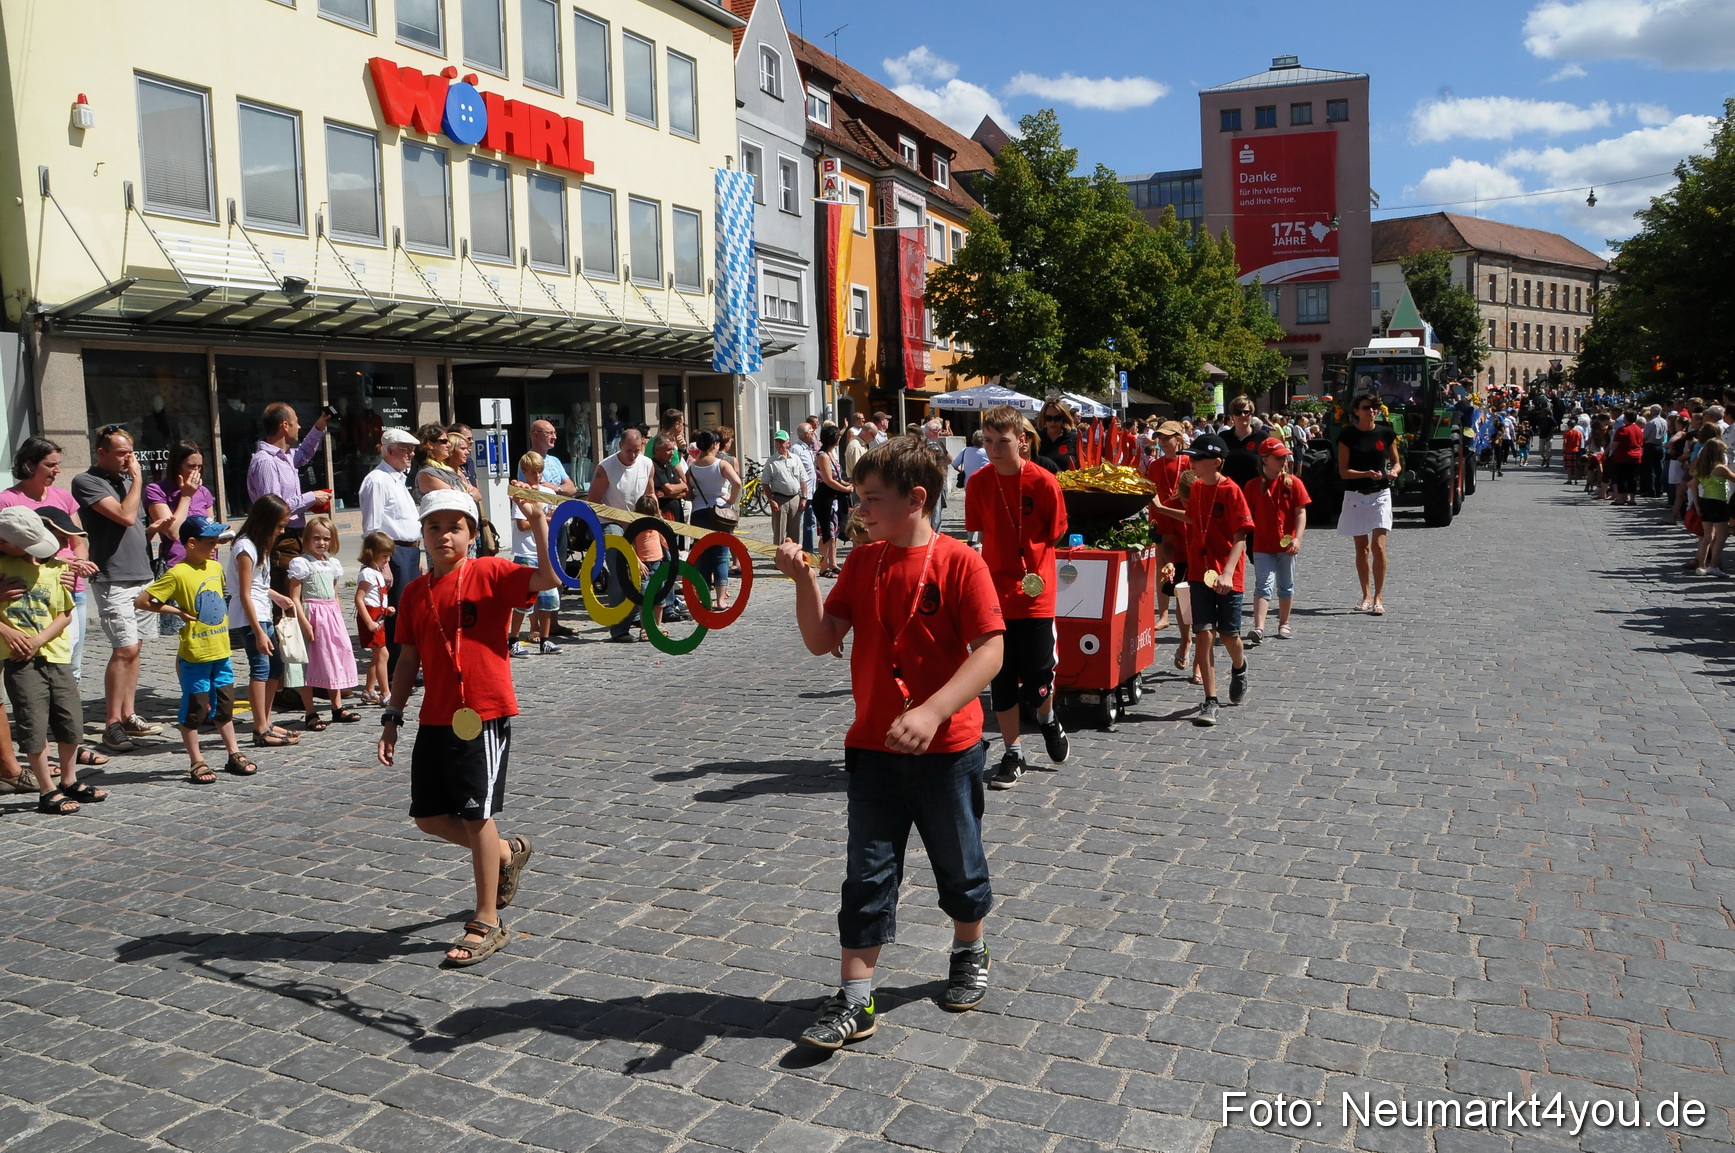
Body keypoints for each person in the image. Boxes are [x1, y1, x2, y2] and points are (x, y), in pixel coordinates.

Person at [774, 437, 1005, 1049]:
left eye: (872, 499)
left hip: (948, 750)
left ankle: (969, 948)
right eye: (858, 496)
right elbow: (822, 640)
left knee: (959, 863)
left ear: (916, 499)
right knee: (867, 875)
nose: (860, 509)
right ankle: (856, 999)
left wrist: (933, 711)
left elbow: (990, 651)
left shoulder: (961, 563)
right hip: (873, 749)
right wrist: (803, 582)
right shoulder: (863, 562)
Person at [378, 489, 557, 967]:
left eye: (455, 527)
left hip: (483, 714)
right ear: (422, 535)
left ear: (472, 534)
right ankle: (505, 852)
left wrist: (539, 526)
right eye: (434, 528)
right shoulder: (414, 593)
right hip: (435, 716)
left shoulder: (490, 572)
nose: (444, 536)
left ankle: (486, 920)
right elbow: (408, 659)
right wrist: (392, 716)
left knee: (477, 814)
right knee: (428, 816)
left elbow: (546, 578)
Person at [967, 406, 1069, 789]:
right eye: (988, 441)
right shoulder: (978, 483)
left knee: (1041, 674)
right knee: (1002, 677)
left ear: (1022, 440)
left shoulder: (1044, 482)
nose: (994, 449)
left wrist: (1030, 561)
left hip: (1035, 590)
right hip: (994, 593)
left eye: (1003, 441)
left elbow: (1056, 533)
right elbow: (979, 534)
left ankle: (1047, 717)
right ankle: (1014, 752)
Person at [136, 516, 258, 783]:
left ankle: (233, 753)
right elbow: (142, 601)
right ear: (191, 543)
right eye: (210, 542)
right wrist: (177, 611)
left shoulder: (214, 567)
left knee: (224, 707)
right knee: (195, 710)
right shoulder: (177, 573)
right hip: (195, 655)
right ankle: (196, 760)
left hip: (221, 652)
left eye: (217, 542)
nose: (215, 547)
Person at [0, 507, 102, 813]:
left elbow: (65, 613)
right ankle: (47, 789)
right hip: (20, 661)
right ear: (5, 544)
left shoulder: (55, 568)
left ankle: (69, 780)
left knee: (70, 721)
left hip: (55, 655)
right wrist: (7, 631)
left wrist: (38, 640)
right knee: (33, 724)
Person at [71, 425, 163, 753]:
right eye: (122, 453)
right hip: (113, 577)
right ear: (102, 452)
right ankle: (111, 723)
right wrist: (138, 479)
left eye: (131, 452)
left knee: (135, 648)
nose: (129, 459)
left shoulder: (125, 481)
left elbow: (133, 524)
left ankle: (128, 714)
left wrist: (151, 530)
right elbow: (124, 516)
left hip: (140, 572)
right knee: (123, 648)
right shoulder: (87, 481)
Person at [1151, 435, 1252, 726]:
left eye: (1197, 458)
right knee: (1204, 634)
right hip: (1199, 572)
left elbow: (1240, 536)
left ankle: (1239, 666)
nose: (1191, 461)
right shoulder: (1195, 488)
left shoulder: (1231, 491)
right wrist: (1161, 508)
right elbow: (1193, 519)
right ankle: (1210, 700)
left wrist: (1228, 572)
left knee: (1228, 636)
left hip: (1227, 574)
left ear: (1216, 462)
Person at [1, 438, 100, 727]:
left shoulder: (62, 497)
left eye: (58, 464)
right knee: (27, 665)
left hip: (69, 588)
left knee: (69, 664)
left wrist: (78, 565)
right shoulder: (7, 500)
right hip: (26, 594)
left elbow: (78, 540)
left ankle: (67, 731)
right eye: (50, 465)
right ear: (30, 464)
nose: (57, 470)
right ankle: (37, 731)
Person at [226, 495, 298, 748]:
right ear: (265, 521)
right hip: (250, 618)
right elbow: (244, 593)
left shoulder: (259, 545)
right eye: (279, 526)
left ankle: (266, 721)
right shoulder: (245, 548)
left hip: (262, 612)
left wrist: (277, 596)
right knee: (260, 669)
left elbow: (258, 585)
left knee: (275, 669)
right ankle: (259, 728)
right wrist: (258, 632)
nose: (282, 531)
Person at [359, 428, 422, 674]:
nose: (411, 454)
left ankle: (408, 665)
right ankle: (397, 668)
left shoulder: (397, 478)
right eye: (406, 449)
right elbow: (372, 527)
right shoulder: (377, 480)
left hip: (408, 552)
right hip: (393, 553)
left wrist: (417, 554)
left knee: (409, 610)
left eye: (412, 449)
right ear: (390, 451)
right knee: (396, 611)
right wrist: (382, 564)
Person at [287, 515, 360, 729]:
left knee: (333, 659)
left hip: (331, 617)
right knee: (309, 664)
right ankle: (310, 711)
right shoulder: (301, 564)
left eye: (326, 539)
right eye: (316, 538)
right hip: (311, 615)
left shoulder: (332, 565)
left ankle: (337, 707)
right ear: (307, 538)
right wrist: (304, 622)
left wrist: (338, 618)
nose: (321, 543)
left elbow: (334, 595)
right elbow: (294, 597)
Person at [588, 429, 655, 643]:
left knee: (650, 566)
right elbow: (593, 502)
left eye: (637, 450)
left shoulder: (647, 464)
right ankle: (619, 628)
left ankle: (644, 617)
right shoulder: (606, 468)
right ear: (620, 446)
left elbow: (650, 494)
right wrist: (619, 519)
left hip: (638, 522)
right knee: (620, 569)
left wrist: (657, 521)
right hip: (611, 523)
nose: (633, 455)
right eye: (629, 451)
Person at [1336, 394, 1400, 616]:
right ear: (1356, 411)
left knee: (1378, 546)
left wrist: (1394, 471)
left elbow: (1397, 462)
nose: (1371, 411)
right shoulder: (1347, 436)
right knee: (1362, 548)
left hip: (1380, 494)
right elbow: (1343, 471)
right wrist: (1366, 474)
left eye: (1374, 407)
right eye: (1366, 407)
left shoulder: (1386, 433)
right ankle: (1366, 595)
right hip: (1355, 495)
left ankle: (1379, 597)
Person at [1243, 438, 1310, 643]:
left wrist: (1297, 538)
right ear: (1265, 459)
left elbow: (1301, 512)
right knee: (1263, 585)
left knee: (1286, 585)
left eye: (1285, 457)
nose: (1283, 461)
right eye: (1278, 458)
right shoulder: (1253, 486)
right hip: (1262, 545)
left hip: (1287, 545)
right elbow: (1245, 516)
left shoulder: (1294, 483)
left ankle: (1284, 623)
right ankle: (1259, 628)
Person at [246, 402, 332, 530]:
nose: (299, 426)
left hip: (292, 533)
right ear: (285, 425)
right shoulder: (266, 462)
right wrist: (311, 497)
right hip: (280, 535)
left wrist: (319, 427)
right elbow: (274, 509)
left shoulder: (285, 456)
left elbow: (304, 452)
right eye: (296, 422)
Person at [508, 452, 561, 655]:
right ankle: (513, 639)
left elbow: (557, 517)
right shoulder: (522, 492)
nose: (538, 476)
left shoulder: (547, 493)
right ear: (524, 472)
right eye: (533, 472)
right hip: (526, 551)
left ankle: (545, 639)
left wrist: (543, 519)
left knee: (549, 597)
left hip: (545, 551)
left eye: (540, 471)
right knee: (524, 599)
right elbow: (522, 524)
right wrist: (542, 519)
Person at [688, 431, 742, 611]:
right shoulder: (721, 464)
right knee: (720, 556)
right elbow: (737, 483)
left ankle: (705, 598)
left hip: (698, 513)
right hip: (720, 514)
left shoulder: (692, 467)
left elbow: (689, 490)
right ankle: (720, 600)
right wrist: (731, 499)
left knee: (703, 556)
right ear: (714, 445)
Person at [1144, 421, 1187, 631]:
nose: (1162, 442)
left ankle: (1184, 614)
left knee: (1183, 566)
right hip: (1160, 519)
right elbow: (1150, 490)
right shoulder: (1154, 464)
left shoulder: (1188, 461)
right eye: (1160, 438)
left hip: (1182, 520)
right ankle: (1163, 614)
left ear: (1178, 439)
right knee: (1162, 566)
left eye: (1167, 438)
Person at [355, 531, 394, 705]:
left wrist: (386, 610)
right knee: (382, 654)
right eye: (384, 556)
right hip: (371, 618)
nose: (387, 560)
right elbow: (359, 599)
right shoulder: (367, 574)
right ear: (372, 553)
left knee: (377, 656)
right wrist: (369, 622)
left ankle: (369, 690)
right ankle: (386, 693)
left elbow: (376, 597)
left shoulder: (376, 572)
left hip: (378, 616)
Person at [813, 425, 854, 578]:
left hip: (835, 498)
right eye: (838, 437)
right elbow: (828, 480)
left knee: (834, 533)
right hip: (825, 498)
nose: (839, 439)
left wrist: (847, 484)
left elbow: (837, 477)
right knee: (826, 533)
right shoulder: (822, 455)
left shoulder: (831, 454)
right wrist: (845, 489)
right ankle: (823, 567)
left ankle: (833, 564)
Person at [1692, 438, 1733, 577]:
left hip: (1705, 501)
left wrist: (1697, 505)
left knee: (1707, 536)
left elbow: (1692, 485)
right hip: (1718, 503)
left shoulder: (1702, 468)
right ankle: (1714, 565)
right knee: (1722, 536)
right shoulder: (1720, 468)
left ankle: (1701, 565)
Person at [764, 430, 808, 546]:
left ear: (788, 443)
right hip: (779, 499)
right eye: (777, 441)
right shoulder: (771, 461)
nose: (779, 444)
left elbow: (803, 480)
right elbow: (765, 483)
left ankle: (793, 555)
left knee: (794, 533)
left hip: (795, 498)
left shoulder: (796, 459)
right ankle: (778, 556)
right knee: (779, 533)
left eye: (782, 441)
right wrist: (771, 500)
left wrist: (804, 498)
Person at [1219, 397, 1264, 486]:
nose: (1243, 415)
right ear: (1232, 416)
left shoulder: (1262, 437)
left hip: (1255, 490)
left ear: (1251, 415)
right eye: (1238, 412)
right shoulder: (1223, 437)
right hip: (1229, 490)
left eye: (1246, 412)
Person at [413, 423, 460, 500]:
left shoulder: (448, 469)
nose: (449, 445)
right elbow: (456, 498)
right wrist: (470, 494)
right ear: (430, 445)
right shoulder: (427, 474)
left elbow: (476, 494)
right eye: (444, 441)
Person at [1609, 410, 1645, 506]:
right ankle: (1632, 498)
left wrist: (1611, 447)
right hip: (1636, 456)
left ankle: (1621, 498)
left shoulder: (1622, 430)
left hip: (1622, 456)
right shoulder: (1638, 429)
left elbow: (1615, 444)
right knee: (1632, 478)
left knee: (1621, 478)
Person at [792, 422, 819, 552]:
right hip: (802, 493)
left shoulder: (808, 448)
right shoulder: (797, 449)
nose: (814, 434)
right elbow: (795, 472)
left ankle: (808, 550)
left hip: (811, 492)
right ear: (806, 434)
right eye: (812, 431)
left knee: (810, 522)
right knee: (797, 523)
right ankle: (794, 549)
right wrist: (802, 495)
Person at [1036, 400, 1080, 471]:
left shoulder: (1074, 439)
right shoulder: (1036, 438)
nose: (1052, 422)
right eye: (1048, 418)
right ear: (1043, 418)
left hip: (1067, 478)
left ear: (1064, 418)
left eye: (1057, 418)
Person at [1641, 404, 1670, 497]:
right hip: (1660, 445)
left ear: (1652, 411)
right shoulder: (1664, 421)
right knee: (1659, 469)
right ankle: (1659, 490)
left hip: (1650, 446)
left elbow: (1645, 436)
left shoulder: (1651, 423)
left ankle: (1651, 490)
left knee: (1649, 469)